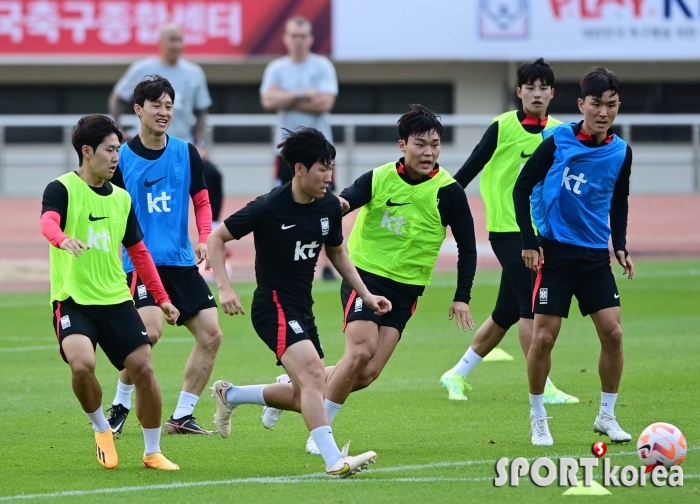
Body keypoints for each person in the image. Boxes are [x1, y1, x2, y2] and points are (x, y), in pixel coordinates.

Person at [262, 105, 479, 455]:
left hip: (406, 289)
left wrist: (462, 296)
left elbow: (467, 247)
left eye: (435, 144)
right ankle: (323, 435)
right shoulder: (379, 178)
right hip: (364, 276)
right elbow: (344, 201)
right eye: (420, 144)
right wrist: (320, 211)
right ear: (402, 144)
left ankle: (292, 383)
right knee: (360, 350)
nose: (428, 152)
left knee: (366, 373)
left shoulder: (448, 191)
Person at [208, 127, 389, 478]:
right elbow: (218, 238)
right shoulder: (269, 206)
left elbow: (337, 253)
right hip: (272, 305)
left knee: (307, 394)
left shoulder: (328, 207)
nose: (330, 176)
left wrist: (366, 295)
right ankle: (334, 461)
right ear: (299, 170)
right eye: (323, 168)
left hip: (302, 308)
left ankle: (231, 396)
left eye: (332, 167)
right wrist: (225, 288)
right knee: (310, 376)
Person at [40, 114, 180, 470]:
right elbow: (48, 221)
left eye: (118, 149)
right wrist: (62, 238)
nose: (116, 156)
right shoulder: (62, 188)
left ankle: (152, 451)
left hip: (117, 300)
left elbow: (139, 252)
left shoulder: (121, 198)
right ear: (87, 151)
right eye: (110, 149)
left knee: (143, 369)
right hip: (73, 299)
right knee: (82, 365)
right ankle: (102, 428)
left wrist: (161, 298)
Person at [439, 58, 578, 405]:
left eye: (543, 87)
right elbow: (469, 170)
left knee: (505, 313)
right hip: (507, 230)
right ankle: (542, 386)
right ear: (519, 92)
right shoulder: (501, 127)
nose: (536, 93)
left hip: (542, 234)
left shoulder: (561, 133)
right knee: (532, 307)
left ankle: (456, 373)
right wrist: (441, 209)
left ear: (552, 93)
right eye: (529, 87)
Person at [513, 67, 634, 446]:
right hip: (556, 255)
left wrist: (621, 244)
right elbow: (521, 187)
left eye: (610, 105)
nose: (603, 112)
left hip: (595, 256)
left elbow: (618, 199)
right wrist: (530, 241)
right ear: (582, 104)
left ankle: (607, 415)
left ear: (617, 107)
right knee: (544, 339)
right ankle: (538, 417)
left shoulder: (621, 152)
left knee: (613, 334)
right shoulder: (557, 141)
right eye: (596, 104)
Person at [107, 75, 223, 436]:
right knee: (148, 334)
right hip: (141, 264)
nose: (164, 112)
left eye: (169, 106)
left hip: (182, 262)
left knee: (211, 335)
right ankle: (121, 404)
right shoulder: (121, 159)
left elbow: (201, 201)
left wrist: (204, 237)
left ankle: (182, 415)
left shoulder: (186, 153)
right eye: (156, 105)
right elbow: (113, 212)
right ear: (138, 109)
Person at [109, 24, 224, 226]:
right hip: (145, 149)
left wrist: (199, 142)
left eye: (180, 40)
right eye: (172, 40)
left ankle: (212, 233)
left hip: (181, 147)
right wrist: (118, 132)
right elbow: (117, 97)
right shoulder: (142, 69)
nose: (177, 45)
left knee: (213, 175)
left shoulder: (194, 72)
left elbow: (202, 109)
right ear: (160, 43)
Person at [260, 15, 338, 280]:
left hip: (320, 151)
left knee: (328, 205)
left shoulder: (322, 66)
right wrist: (303, 93)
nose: (298, 40)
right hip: (285, 151)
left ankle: (328, 265)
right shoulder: (276, 67)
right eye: (293, 35)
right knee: (282, 203)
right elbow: (269, 101)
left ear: (311, 39)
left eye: (302, 35)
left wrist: (286, 97)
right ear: (285, 38)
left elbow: (325, 104)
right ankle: (284, 259)